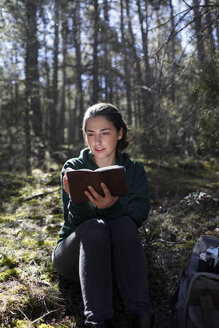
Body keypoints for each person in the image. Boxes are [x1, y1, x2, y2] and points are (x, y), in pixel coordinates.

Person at [52, 103, 154, 328]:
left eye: (104, 133)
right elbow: (73, 223)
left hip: (117, 255)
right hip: (73, 254)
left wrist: (111, 207)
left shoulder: (134, 171)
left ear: (119, 133)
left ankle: (141, 315)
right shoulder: (73, 167)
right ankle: (97, 321)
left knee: (124, 224)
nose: (97, 141)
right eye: (91, 134)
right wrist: (80, 201)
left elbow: (137, 216)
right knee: (94, 227)